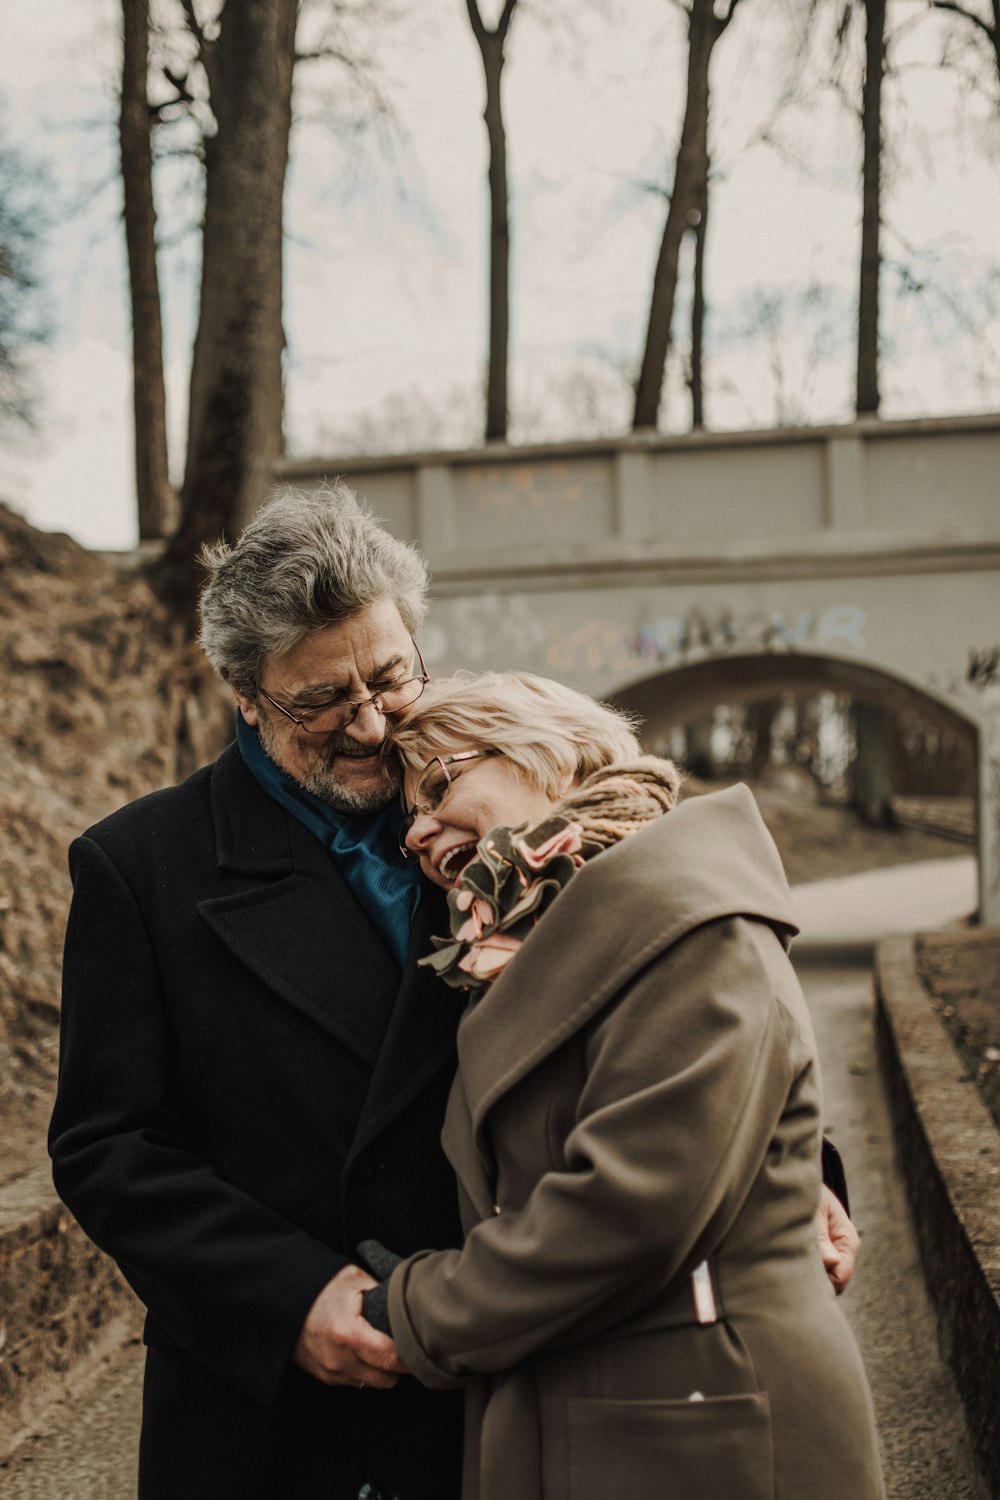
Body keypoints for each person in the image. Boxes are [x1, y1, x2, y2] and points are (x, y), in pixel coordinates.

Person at [49, 484, 856, 1500]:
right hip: (274, 1418)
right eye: (321, 701)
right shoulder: (141, 868)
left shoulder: (507, 802)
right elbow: (108, 1145)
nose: (373, 724)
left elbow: (670, 1005)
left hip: (497, 1380)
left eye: (392, 676)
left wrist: (792, 1175)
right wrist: (286, 1297)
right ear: (245, 695)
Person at [356, 670, 885, 1500]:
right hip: (621, 1408)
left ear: (552, 756)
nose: (419, 831)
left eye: (439, 785)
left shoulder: (684, 918)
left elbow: (635, 1206)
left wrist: (416, 1310)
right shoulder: (540, 934)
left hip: (709, 1425)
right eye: (408, 822)